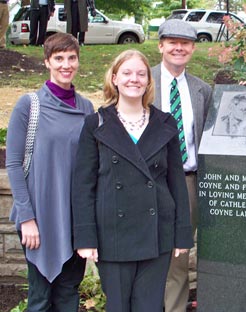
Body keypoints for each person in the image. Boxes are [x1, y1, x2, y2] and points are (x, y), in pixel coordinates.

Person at [72, 49, 194, 311]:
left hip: (158, 232)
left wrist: (182, 235)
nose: (134, 79)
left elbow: (176, 181)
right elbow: (83, 186)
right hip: (112, 235)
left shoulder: (165, 123)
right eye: (127, 73)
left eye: (141, 74)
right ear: (114, 78)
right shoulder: (95, 124)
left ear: (148, 81)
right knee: (117, 306)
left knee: (149, 306)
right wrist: (85, 238)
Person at [6, 33, 93, 311]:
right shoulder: (29, 106)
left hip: (73, 219)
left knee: (68, 295)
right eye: (59, 58)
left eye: (71, 58)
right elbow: (13, 165)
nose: (66, 64)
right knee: (41, 298)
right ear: (47, 62)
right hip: (39, 219)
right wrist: (27, 218)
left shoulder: (86, 108)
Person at [151, 19, 212, 312]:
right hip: (148, 182)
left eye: (185, 43)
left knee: (178, 256)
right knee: (146, 253)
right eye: (172, 42)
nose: (178, 47)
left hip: (188, 182)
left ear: (192, 49)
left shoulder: (203, 90)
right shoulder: (142, 81)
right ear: (161, 45)